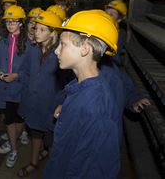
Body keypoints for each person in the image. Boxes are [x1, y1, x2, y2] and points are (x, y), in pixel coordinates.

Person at [44, 10, 121, 178]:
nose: (56, 51)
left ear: (85, 49)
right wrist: (67, 108)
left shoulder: (95, 107)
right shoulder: (81, 88)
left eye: (63, 45)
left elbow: (94, 168)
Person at [17, 10, 64, 177]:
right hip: (34, 103)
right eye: (36, 28)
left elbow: (66, 83)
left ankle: (53, 169)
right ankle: (34, 162)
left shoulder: (61, 53)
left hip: (51, 105)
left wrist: (62, 104)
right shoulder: (33, 49)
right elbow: (26, 73)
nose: (37, 32)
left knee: (52, 140)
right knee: (35, 134)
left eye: (43, 30)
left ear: (53, 33)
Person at [0, 5, 30, 167]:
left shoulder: (29, 43)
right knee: (9, 120)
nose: (10, 24)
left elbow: (32, 70)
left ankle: (14, 138)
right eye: (8, 21)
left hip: (20, 89)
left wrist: (17, 76)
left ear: (21, 23)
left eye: (14, 21)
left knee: (19, 118)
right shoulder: (3, 41)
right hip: (5, 90)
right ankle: (14, 149)